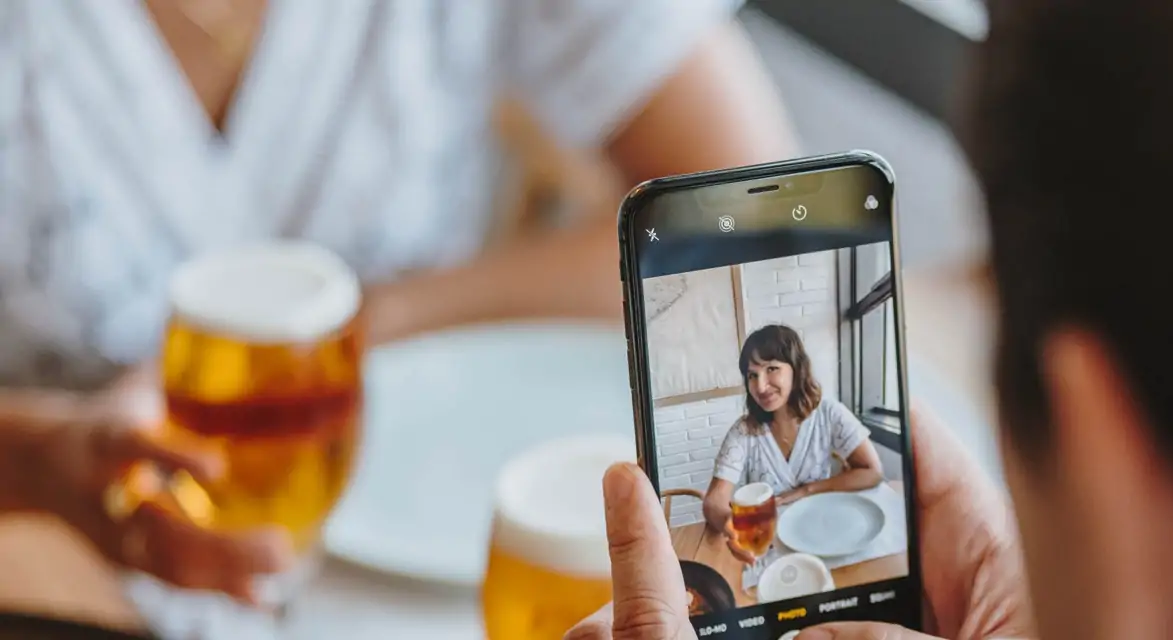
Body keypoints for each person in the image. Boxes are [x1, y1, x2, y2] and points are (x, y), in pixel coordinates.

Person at [568, 0, 1173, 639]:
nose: (761, 381)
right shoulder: (744, 438)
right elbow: (722, 506)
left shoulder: (830, 419)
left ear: (1110, 470)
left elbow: (861, 474)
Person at [0, 0, 794, 602]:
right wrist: (40, 460)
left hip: (437, 551)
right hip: (53, 572)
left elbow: (755, 213)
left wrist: (361, 330)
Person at [703, 324, 883, 564]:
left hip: (824, 534)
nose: (761, 386)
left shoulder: (829, 414)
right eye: (752, 375)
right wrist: (730, 527)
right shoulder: (744, 431)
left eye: (772, 369)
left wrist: (806, 490)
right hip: (770, 550)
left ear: (796, 370)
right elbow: (714, 501)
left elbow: (872, 472)